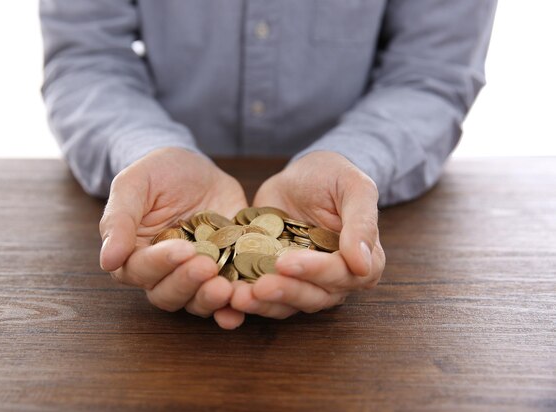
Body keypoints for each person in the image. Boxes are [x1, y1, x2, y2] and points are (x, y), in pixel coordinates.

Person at [40, 1, 497, 329]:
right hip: (161, 194)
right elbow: (87, 57)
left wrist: (355, 160)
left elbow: (432, 73)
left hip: (368, 207)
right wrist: (145, 150)